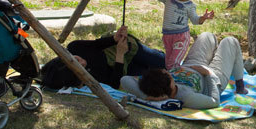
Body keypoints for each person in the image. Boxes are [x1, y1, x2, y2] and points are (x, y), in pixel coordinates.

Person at [120, 32, 247, 109]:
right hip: (213, 76)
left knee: (207, 36)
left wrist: (148, 97)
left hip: (191, 64)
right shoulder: (186, 97)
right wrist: (208, 75)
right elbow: (214, 102)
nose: (168, 72)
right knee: (230, 41)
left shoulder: (154, 89)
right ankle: (240, 84)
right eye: (168, 75)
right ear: (170, 84)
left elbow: (125, 80)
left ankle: (216, 55)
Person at [40, 25, 168, 89]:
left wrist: (114, 39)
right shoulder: (89, 79)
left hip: (124, 50)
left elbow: (96, 44)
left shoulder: (74, 47)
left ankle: (158, 54)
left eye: (76, 60)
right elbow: (114, 82)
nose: (83, 63)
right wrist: (119, 56)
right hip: (121, 66)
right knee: (158, 77)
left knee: (166, 63)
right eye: (80, 69)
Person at [152, 0, 215, 69]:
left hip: (181, 37)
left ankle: (175, 80)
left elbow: (195, 20)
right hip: (167, 35)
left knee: (173, 63)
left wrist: (203, 18)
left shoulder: (190, 6)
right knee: (168, 62)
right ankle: (173, 79)